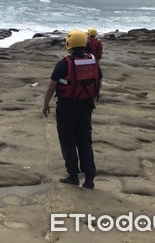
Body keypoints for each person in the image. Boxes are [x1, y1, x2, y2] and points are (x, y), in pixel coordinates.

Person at [42, 29, 102, 189]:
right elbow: (98, 80)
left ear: (69, 44)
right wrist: (94, 96)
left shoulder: (64, 63)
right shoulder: (92, 61)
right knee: (85, 141)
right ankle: (89, 178)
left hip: (67, 106)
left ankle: (73, 176)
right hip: (86, 106)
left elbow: (51, 87)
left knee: (68, 141)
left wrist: (45, 104)